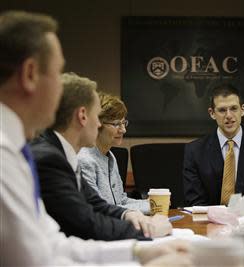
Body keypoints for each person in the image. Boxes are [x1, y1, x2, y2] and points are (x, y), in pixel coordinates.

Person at [0, 10, 188, 266]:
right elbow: (35, 260)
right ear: (30, 74)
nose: (61, 89)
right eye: (57, 72)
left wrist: (137, 253)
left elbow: (53, 245)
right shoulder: (8, 155)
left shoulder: (17, 150)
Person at [31, 72, 171, 240]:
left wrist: (126, 214)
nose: (98, 124)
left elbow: (95, 204)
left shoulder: (62, 153)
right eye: (96, 116)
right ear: (82, 116)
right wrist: (148, 230)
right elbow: (85, 223)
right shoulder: (49, 159)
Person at [183, 84, 244, 206]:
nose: (229, 115)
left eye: (233, 108)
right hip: (208, 222)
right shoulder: (194, 151)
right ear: (212, 113)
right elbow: (195, 201)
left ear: (242, 110)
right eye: (222, 110)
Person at [78, 92, 149, 214]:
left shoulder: (110, 157)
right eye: (116, 124)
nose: (123, 129)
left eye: (123, 123)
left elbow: (121, 201)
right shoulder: (85, 160)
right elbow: (100, 210)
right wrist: (151, 207)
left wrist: (151, 204)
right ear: (98, 124)